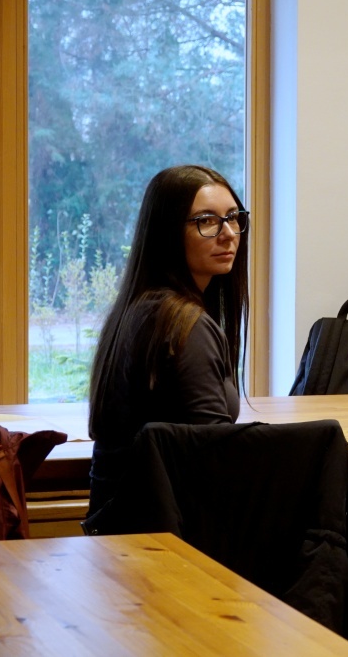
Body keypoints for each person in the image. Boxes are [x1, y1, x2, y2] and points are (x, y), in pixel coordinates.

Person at [86, 165, 249, 518]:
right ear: (167, 233)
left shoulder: (141, 309)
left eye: (233, 217)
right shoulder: (184, 325)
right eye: (207, 221)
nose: (228, 234)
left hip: (122, 525)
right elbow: (216, 457)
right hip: (161, 535)